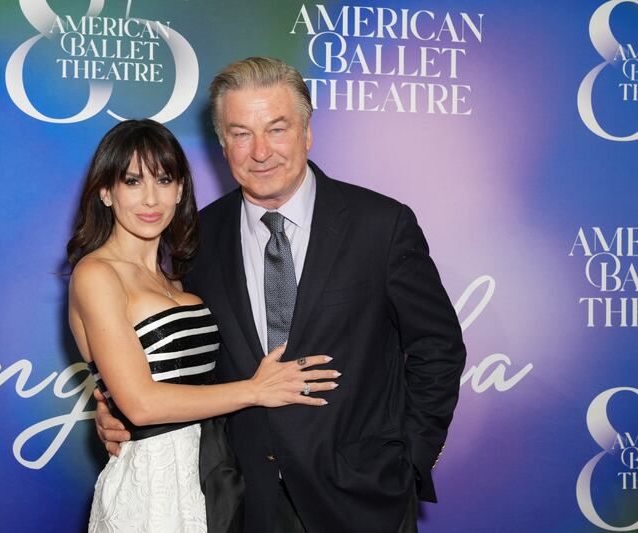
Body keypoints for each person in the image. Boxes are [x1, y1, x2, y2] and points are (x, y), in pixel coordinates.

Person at [97, 58, 467, 533]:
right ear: (222, 143)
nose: (260, 151)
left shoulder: (381, 225)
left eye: (276, 128)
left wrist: (412, 456)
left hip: (363, 497)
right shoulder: (195, 239)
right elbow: (178, 354)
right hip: (244, 502)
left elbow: (437, 347)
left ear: (307, 131)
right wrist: (115, 411)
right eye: (240, 133)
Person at [66, 118, 338, 533]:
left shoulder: (178, 275)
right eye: (132, 182)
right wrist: (256, 390)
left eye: (163, 179)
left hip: (214, 472)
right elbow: (139, 403)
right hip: (154, 483)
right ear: (106, 191)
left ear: (180, 190)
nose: (151, 198)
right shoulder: (96, 274)